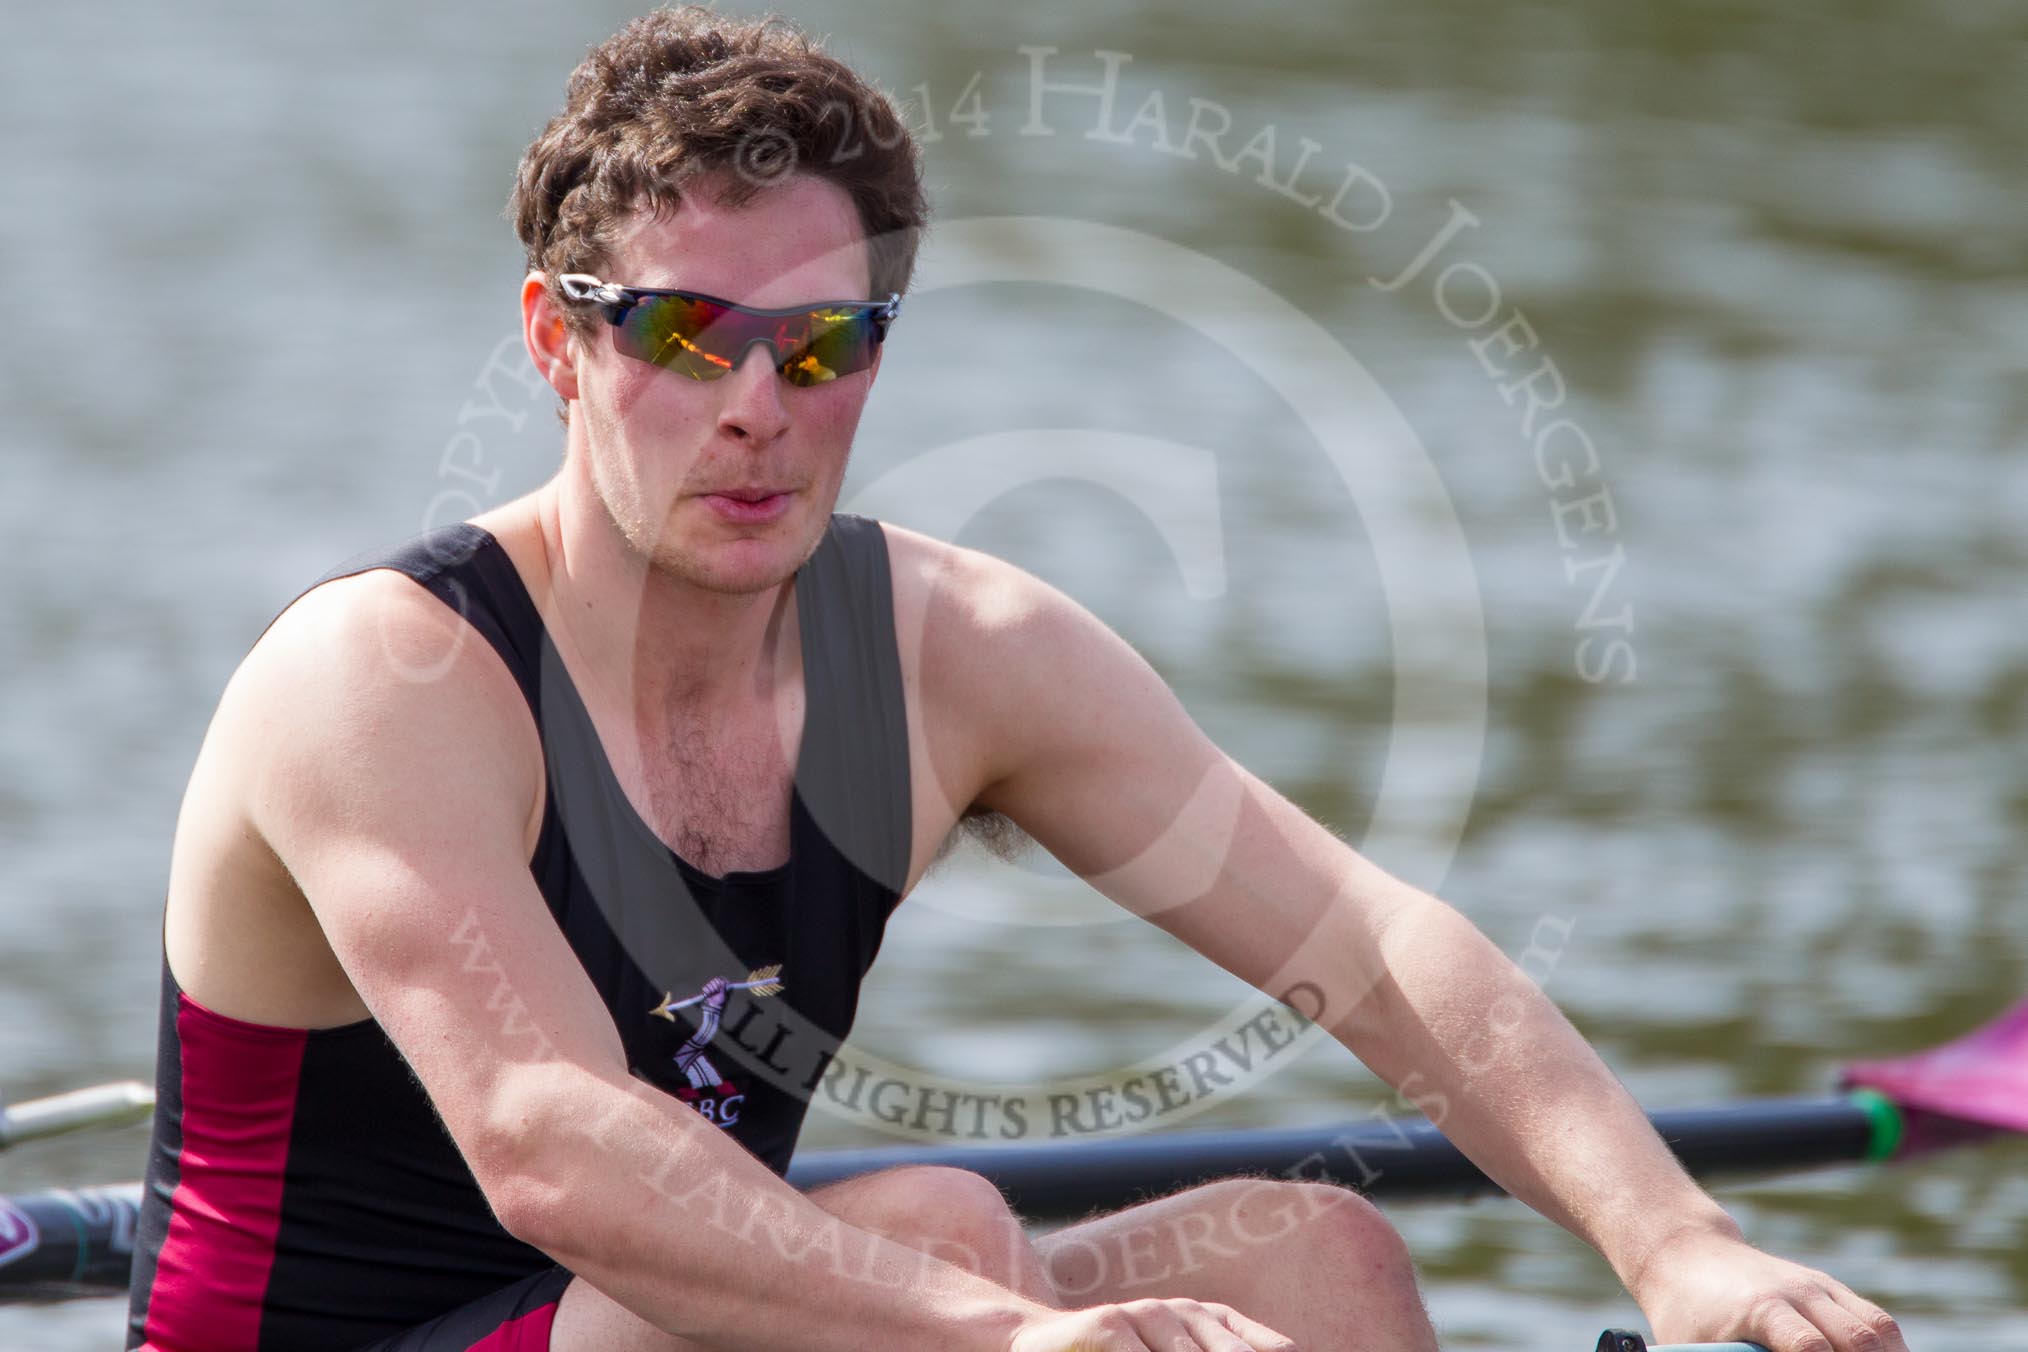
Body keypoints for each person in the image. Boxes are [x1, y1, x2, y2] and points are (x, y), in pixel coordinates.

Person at [125, 8, 1910, 1352]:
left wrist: (1674, 1241)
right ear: (558, 343)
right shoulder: (387, 676)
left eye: (823, 344)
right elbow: (551, 1149)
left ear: (877, 357)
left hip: (680, 1307)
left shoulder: (956, 656)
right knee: (956, 1225)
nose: (759, 406)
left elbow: (1369, 947)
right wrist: (1012, 1329)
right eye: (686, 334)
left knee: (1319, 1259)